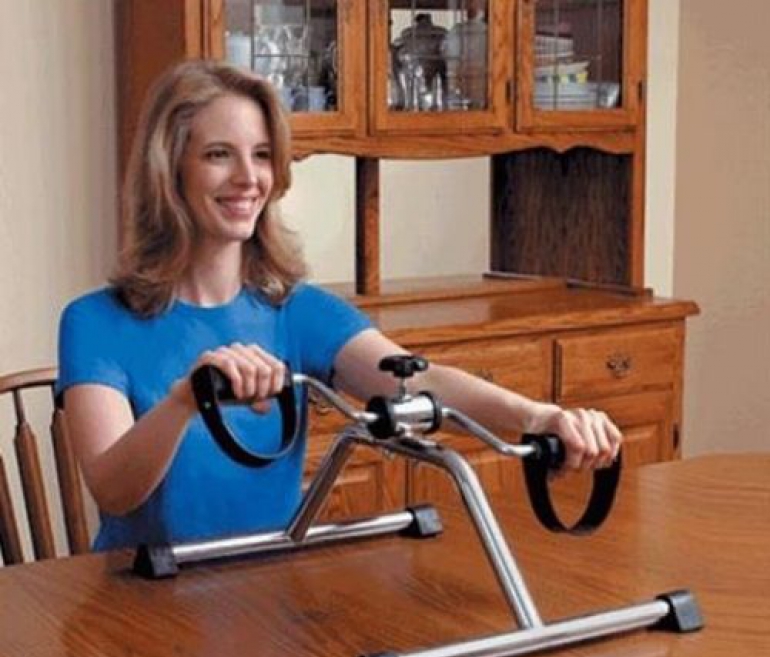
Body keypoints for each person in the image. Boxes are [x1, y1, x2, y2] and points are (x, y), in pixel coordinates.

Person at [58, 60, 621, 551]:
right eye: (217, 155)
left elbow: (419, 385)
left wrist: (537, 417)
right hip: (143, 595)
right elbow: (112, 488)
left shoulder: (296, 311)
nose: (248, 178)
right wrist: (186, 398)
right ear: (170, 171)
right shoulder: (95, 322)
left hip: (267, 586)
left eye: (261, 155)